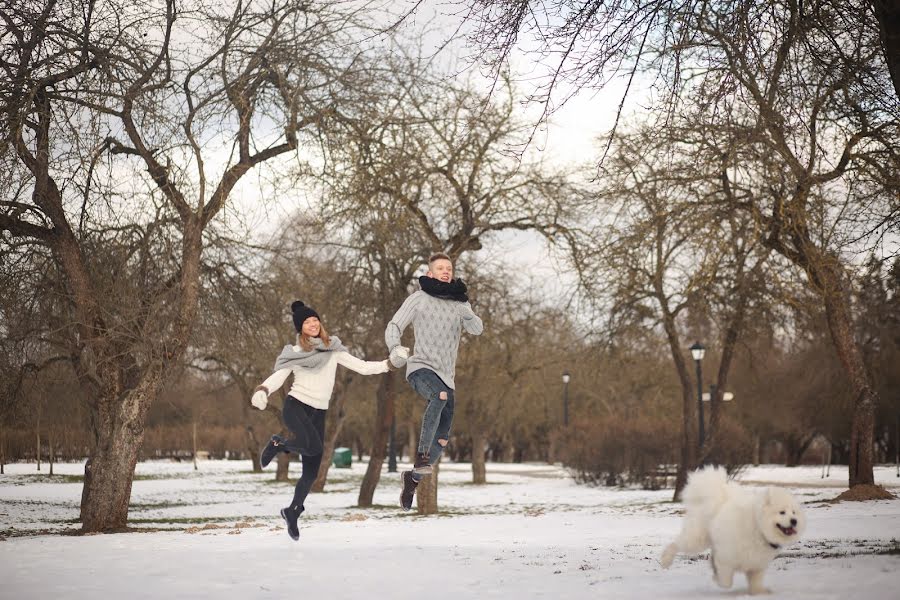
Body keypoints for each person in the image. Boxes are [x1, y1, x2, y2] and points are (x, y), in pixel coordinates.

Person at [251, 300, 406, 541]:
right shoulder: (296, 352)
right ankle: (278, 444)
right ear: (300, 328)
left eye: (315, 319)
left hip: (319, 413)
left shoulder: (333, 349)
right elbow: (279, 376)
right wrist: (263, 390)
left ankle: (292, 511)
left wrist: (388, 364)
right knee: (313, 447)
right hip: (296, 406)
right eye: (306, 321)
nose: (312, 323)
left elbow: (363, 367)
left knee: (311, 473)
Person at [385, 252, 483, 510]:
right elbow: (394, 325)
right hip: (420, 368)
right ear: (430, 273)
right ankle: (421, 456)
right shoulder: (419, 298)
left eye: (449, 268)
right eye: (440, 267)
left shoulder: (459, 302)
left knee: (442, 439)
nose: (445, 271)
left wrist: (468, 313)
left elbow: (477, 329)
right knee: (438, 396)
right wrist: (395, 348)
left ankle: (412, 479)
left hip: (446, 377)